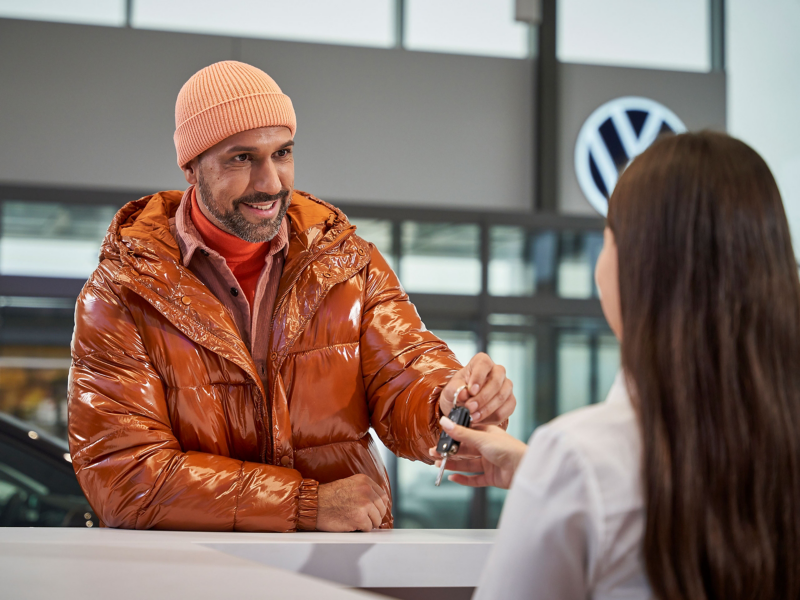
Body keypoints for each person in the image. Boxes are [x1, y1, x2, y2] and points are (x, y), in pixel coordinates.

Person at [67, 60, 516, 533]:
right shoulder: (121, 295)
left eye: (281, 153)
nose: (271, 182)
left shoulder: (346, 263)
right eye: (241, 158)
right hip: (199, 578)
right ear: (191, 166)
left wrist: (447, 401)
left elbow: (405, 372)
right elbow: (125, 477)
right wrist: (304, 504)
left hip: (340, 571)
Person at [435, 132, 800, 599]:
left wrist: (553, 479)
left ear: (640, 266)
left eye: (607, 237)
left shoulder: (577, 456)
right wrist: (537, 473)